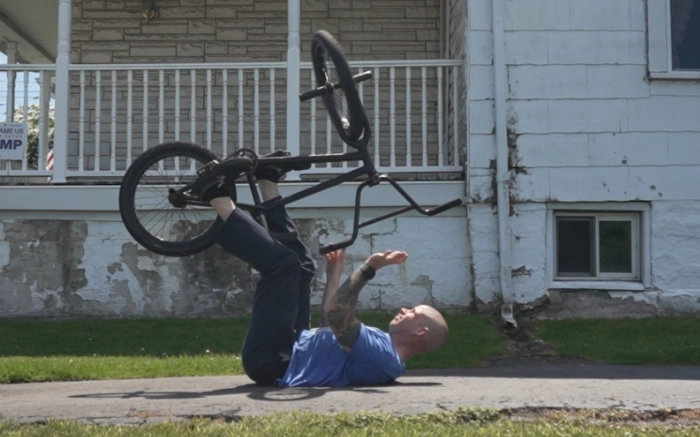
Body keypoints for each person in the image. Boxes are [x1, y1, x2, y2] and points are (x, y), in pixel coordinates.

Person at [188, 152, 449, 387]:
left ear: (420, 332)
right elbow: (330, 326)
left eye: (414, 312)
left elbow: (336, 316)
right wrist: (334, 275)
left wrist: (369, 269)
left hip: (273, 360)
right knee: (302, 265)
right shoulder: (382, 343)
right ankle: (267, 182)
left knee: (283, 266)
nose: (405, 309)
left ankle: (214, 194)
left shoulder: (385, 359)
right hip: (293, 342)